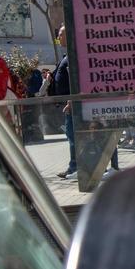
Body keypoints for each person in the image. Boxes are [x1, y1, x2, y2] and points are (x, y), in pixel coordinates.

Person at [48, 26, 77, 179]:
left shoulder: (74, 56)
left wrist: (71, 102)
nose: (58, 38)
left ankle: (75, 168)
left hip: (73, 105)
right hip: (68, 104)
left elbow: (76, 81)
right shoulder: (67, 56)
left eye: (60, 35)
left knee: (73, 136)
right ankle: (74, 167)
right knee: (71, 136)